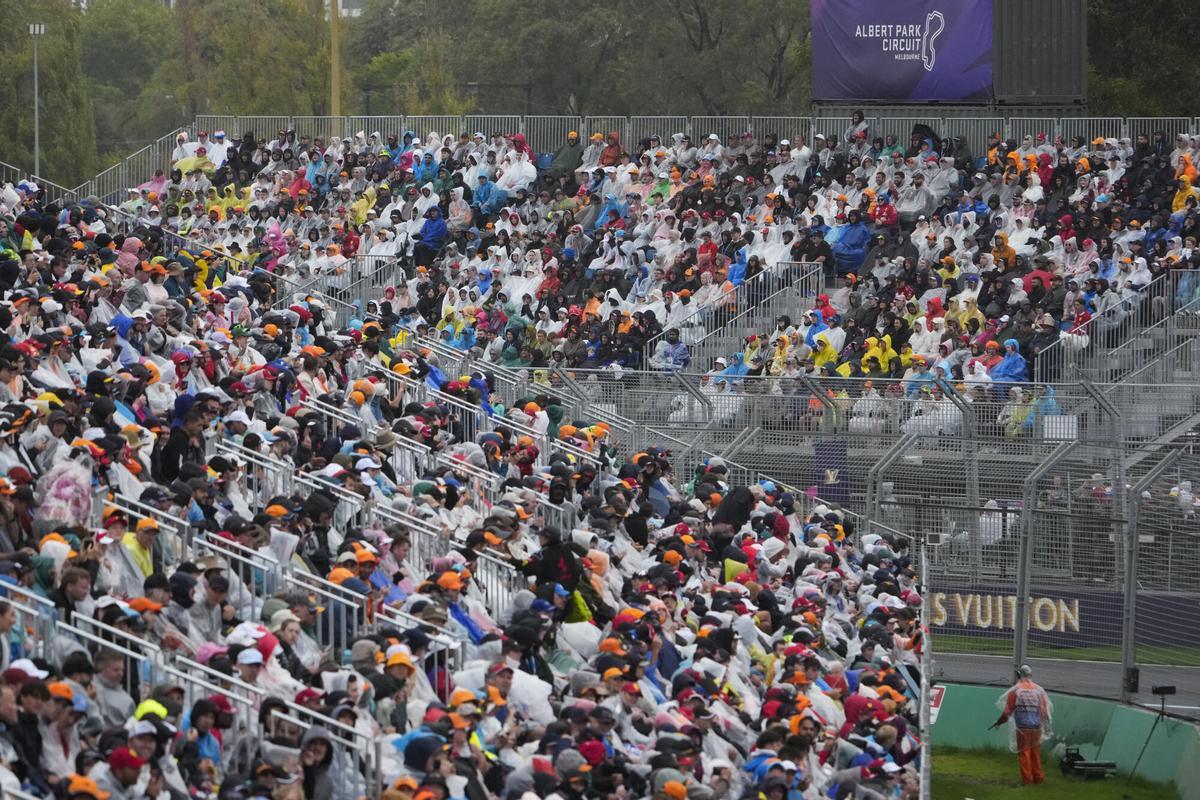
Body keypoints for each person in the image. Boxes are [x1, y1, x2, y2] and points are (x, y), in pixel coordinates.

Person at [993, 664, 1052, 785]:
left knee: (1024, 753)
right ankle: (1038, 778)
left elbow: (1007, 711)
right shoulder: (1039, 690)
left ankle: (1027, 780)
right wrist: (1045, 725)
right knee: (1035, 753)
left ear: (1019, 675)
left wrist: (999, 722)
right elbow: (1044, 710)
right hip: (1036, 727)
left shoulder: (1016, 690)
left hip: (1023, 728)